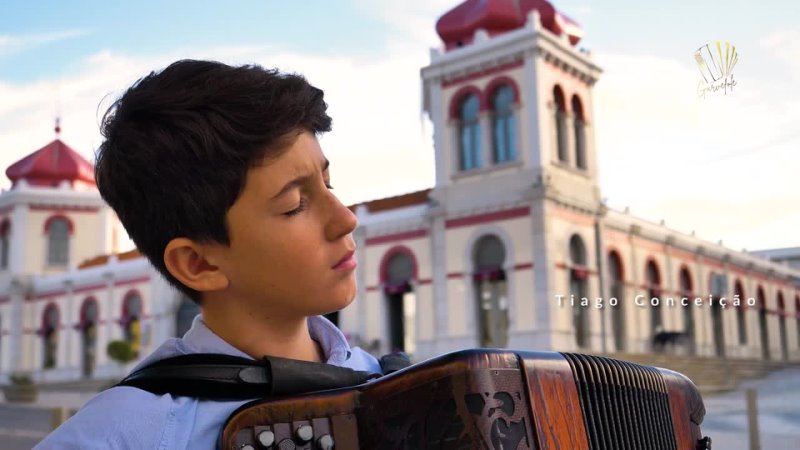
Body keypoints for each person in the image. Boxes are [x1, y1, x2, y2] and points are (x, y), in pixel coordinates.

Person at [35, 59, 380, 449]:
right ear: (198, 263)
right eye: (295, 204)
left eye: (328, 184)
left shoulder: (391, 382)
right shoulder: (121, 435)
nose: (345, 219)